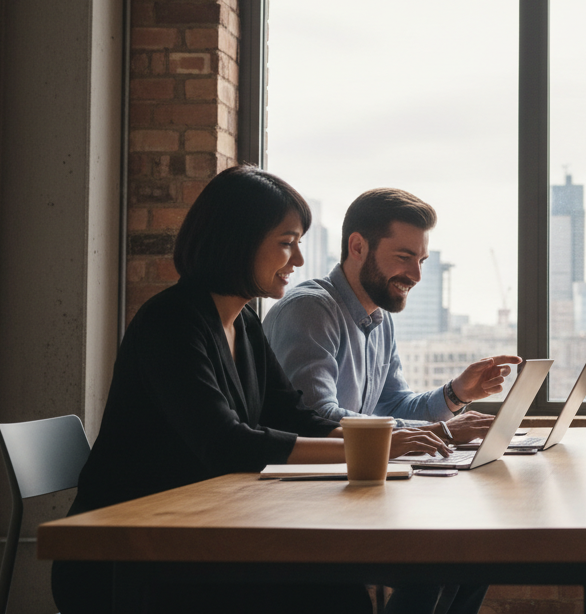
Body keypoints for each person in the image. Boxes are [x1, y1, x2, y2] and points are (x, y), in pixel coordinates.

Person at [52, 165, 450, 614]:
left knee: (371, 584)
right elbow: (225, 443)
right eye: (286, 243)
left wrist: (379, 442)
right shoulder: (171, 322)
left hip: (201, 534)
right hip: (131, 558)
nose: (298, 261)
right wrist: (372, 449)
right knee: (338, 595)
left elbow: (295, 416)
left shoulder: (243, 322)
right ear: (237, 240)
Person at [263, 187, 519, 614]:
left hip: (354, 491)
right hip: (308, 502)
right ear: (358, 246)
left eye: (421, 261)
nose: (416, 275)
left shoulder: (377, 319)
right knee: (441, 563)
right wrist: (436, 432)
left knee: (474, 556)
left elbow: (392, 406)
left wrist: (455, 394)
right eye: (404, 257)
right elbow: (315, 418)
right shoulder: (309, 310)